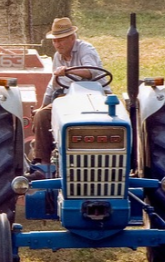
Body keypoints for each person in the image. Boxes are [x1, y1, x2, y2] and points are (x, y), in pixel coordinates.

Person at [30, 17, 108, 169]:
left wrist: (68, 72)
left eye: (61, 40)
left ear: (73, 38)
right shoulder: (58, 57)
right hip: (67, 99)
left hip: (94, 98)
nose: (57, 44)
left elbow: (91, 71)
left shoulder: (86, 49)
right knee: (41, 116)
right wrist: (43, 105)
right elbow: (52, 85)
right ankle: (43, 164)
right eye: (55, 41)